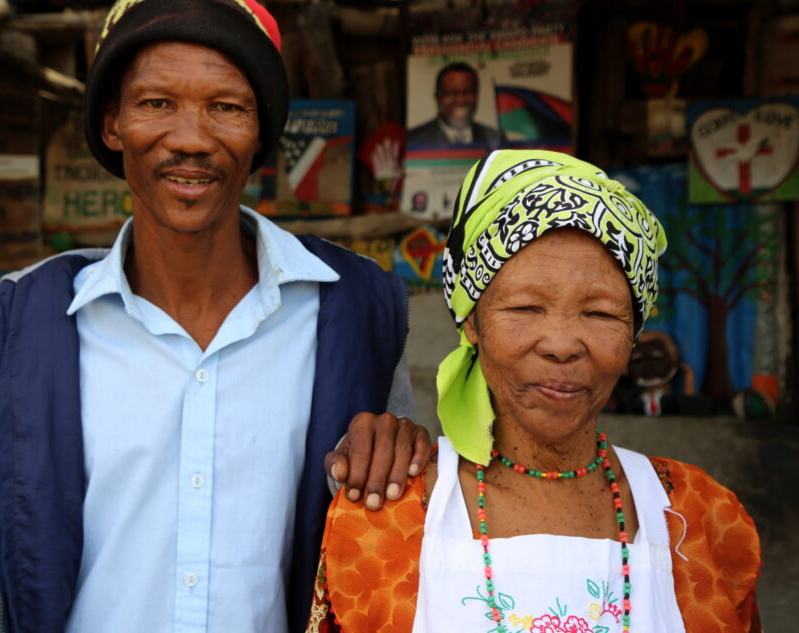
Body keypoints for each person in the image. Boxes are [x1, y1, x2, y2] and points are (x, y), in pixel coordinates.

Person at [0, 2, 431, 632]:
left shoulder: (353, 311)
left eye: (227, 107)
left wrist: (409, 454)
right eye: (156, 103)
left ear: (260, 130)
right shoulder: (32, 325)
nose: (191, 138)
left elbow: (400, 559)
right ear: (111, 123)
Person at [307, 150, 762, 633]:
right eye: (525, 308)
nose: (562, 346)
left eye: (601, 314)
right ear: (471, 322)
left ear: (633, 332)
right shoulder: (385, 515)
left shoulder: (700, 517)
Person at [407, 63, 501, 148]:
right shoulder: (414, 139)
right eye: (452, 93)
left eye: (468, 92)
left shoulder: (495, 138)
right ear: (437, 97)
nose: (461, 100)